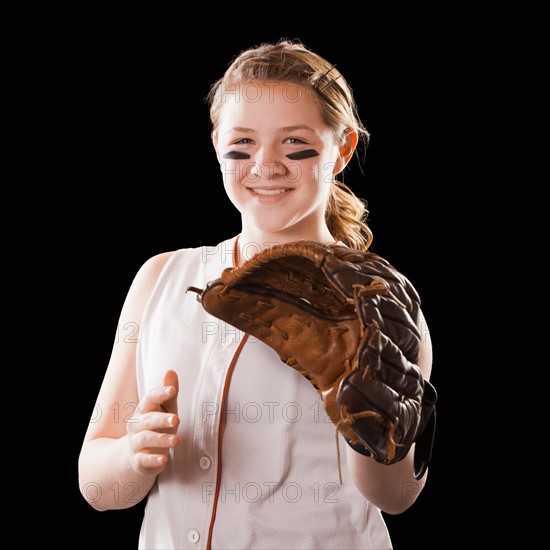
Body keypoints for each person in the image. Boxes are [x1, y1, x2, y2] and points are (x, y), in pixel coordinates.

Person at [78, 38, 434, 550]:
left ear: (343, 149)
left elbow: (397, 497)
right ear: (217, 142)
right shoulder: (161, 277)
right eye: (242, 145)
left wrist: (371, 408)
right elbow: (96, 485)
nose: (266, 166)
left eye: (296, 145)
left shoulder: (379, 300)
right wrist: (133, 453)